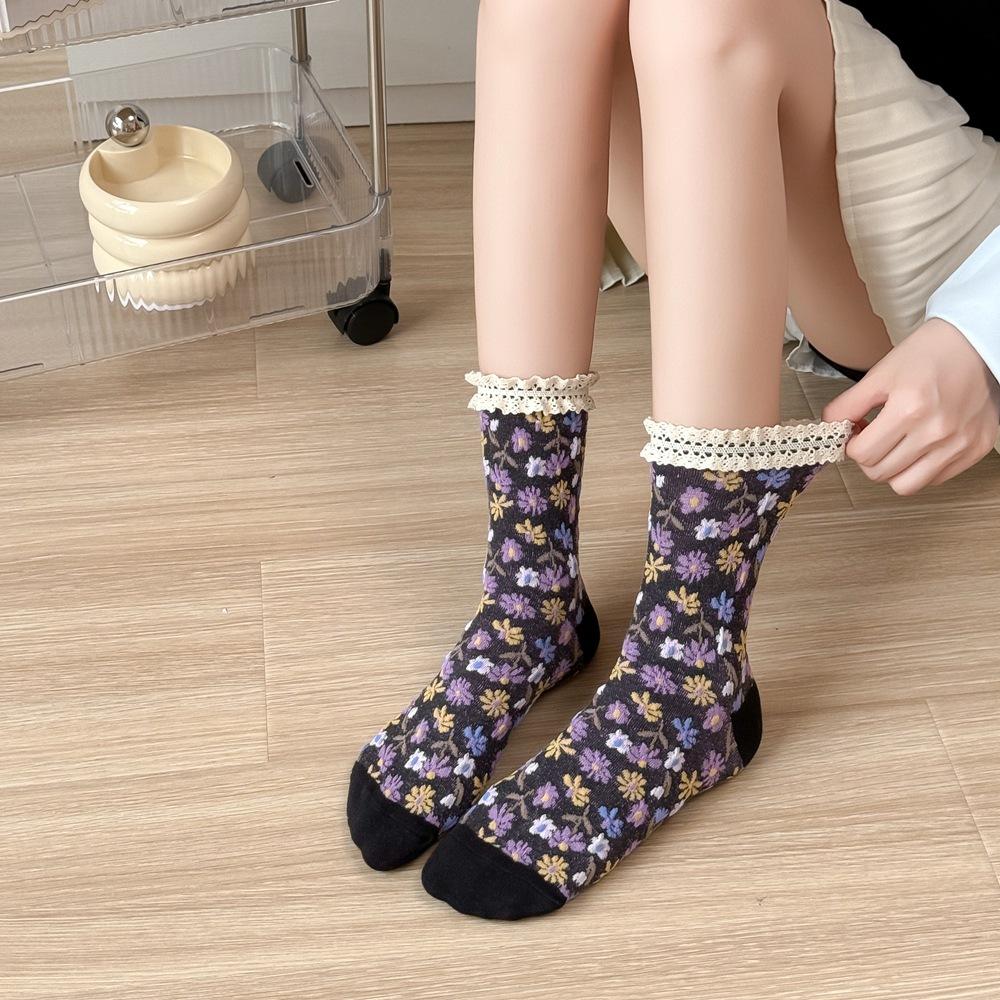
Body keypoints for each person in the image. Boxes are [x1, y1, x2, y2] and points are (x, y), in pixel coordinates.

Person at [347, 0, 1000, 919]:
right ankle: (530, 596)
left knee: (704, 11)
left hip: (962, 236)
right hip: (776, 155)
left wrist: (985, 329)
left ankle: (687, 667)